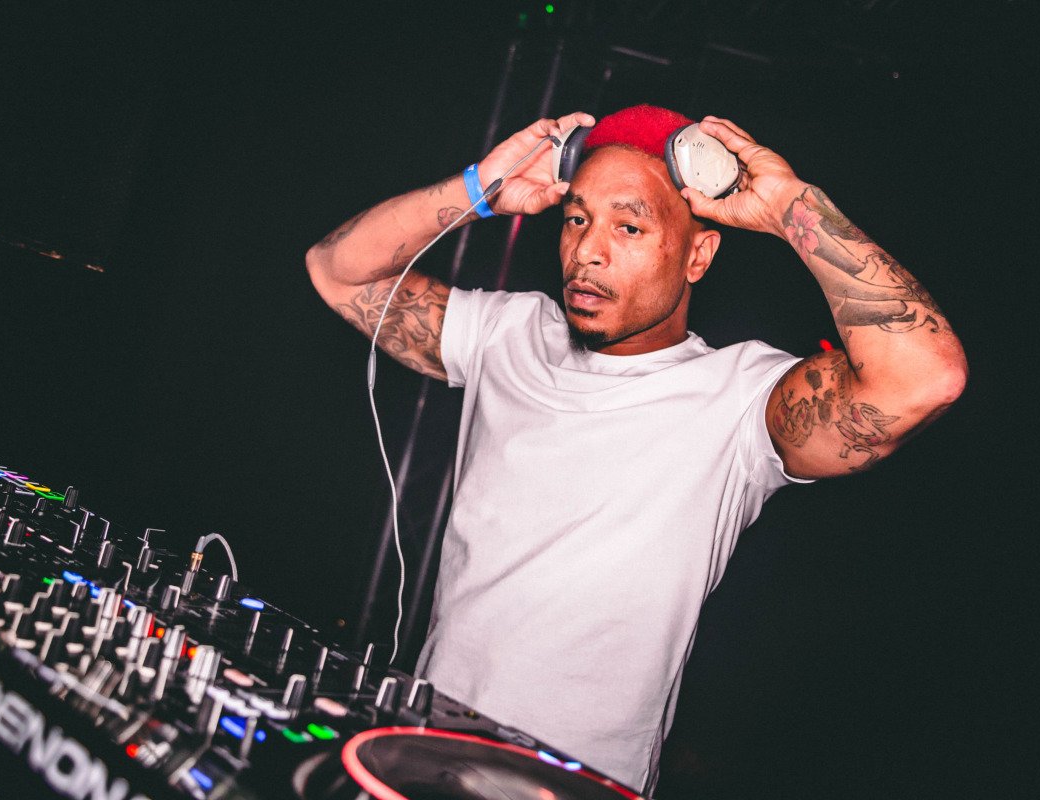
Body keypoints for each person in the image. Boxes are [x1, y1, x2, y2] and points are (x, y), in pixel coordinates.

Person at [305, 105, 967, 794]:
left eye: (629, 227)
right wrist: (479, 188)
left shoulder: (739, 399)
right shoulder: (508, 333)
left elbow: (925, 379)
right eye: (576, 219)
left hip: (580, 784)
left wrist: (790, 208)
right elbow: (337, 271)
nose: (587, 251)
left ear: (697, 256)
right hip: (419, 754)